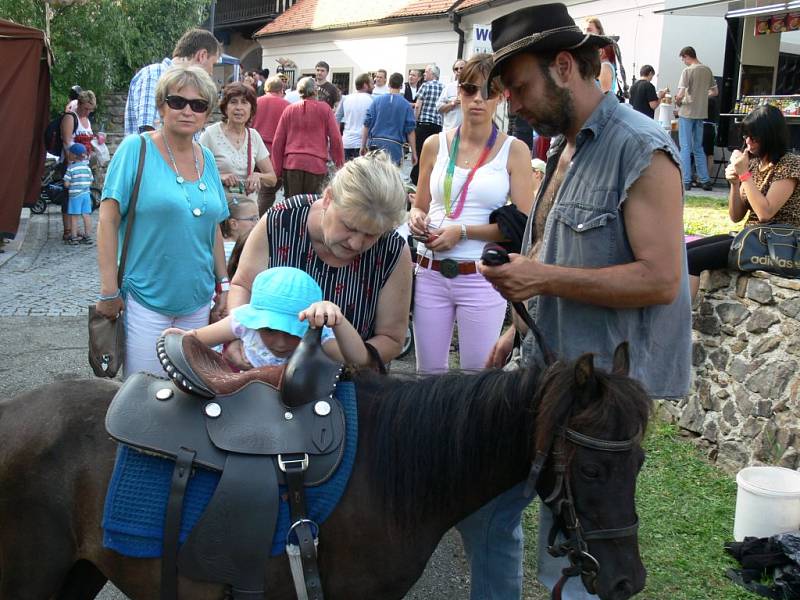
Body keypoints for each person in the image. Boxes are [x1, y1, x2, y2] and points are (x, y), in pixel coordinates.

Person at [474, 4, 691, 599]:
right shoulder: (564, 149)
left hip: (599, 394)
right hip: (551, 373)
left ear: (564, 66)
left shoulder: (640, 148)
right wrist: (514, 331)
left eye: (518, 87)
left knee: (578, 544)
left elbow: (660, 279)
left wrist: (540, 279)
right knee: (501, 513)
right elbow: (556, 251)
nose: (512, 104)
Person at [96, 65, 229, 379]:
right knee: (144, 397)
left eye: (198, 105)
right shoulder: (136, 149)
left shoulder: (206, 158)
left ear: (207, 112)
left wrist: (224, 285)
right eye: (177, 101)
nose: (187, 111)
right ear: (161, 105)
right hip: (145, 298)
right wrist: (108, 290)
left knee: (190, 394)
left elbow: (213, 229)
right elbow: (107, 220)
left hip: (197, 301)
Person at [225, 152, 412, 368]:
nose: (356, 244)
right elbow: (243, 284)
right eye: (350, 227)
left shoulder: (392, 250)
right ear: (328, 198)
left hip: (351, 379)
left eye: (372, 234)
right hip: (266, 369)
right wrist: (240, 337)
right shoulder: (282, 220)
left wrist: (354, 363)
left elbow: (391, 338)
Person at [408, 53, 533, 374]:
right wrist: (416, 218)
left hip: (480, 276)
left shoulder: (514, 149)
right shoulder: (435, 144)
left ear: (502, 97)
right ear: (458, 93)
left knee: (476, 379)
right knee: (428, 376)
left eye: (488, 92)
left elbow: (522, 224)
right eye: (468, 89)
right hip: (430, 271)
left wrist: (462, 232)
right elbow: (420, 204)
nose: (477, 99)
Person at [687, 105, 800, 298]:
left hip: (778, 243)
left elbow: (765, 213)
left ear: (770, 136)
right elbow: (736, 216)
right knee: (683, 251)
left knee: (691, 259)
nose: (748, 142)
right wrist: (734, 183)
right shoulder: (754, 164)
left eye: (753, 137)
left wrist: (744, 174)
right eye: (745, 136)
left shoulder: (790, 164)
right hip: (752, 237)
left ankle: (679, 320)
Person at [164, 266, 372, 368]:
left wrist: (339, 321)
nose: (281, 343)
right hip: (244, 391)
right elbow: (198, 337)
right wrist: (180, 337)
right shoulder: (243, 321)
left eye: (292, 332)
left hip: (297, 399)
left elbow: (357, 358)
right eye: (269, 330)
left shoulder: (319, 335)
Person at [124, 28, 220, 136]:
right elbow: (148, 132)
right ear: (202, 55)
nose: (212, 72)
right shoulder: (155, 74)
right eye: (214, 64)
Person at [199, 82, 277, 207]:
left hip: (246, 211)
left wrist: (258, 176)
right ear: (225, 107)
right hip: (217, 206)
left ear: (251, 109)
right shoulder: (211, 134)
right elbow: (194, 173)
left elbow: (272, 179)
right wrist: (220, 177)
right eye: (233, 102)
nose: (239, 107)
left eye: (244, 102)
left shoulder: (254, 136)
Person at [271, 77, 344, 198]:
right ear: (315, 91)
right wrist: (339, 165)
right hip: (316, 165)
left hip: (292, 165)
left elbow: (278, 142)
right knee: (312, 207)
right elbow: (336, 138)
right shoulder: (325, 109)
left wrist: (277, 170)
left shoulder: (289, 110)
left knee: (292, 206)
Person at [676, 46, 718, 192]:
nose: (684, 62)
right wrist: (702, 97)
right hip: (701, 114)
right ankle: (705, 181)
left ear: (687, 56)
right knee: (698, 148)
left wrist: (678, 102)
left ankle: (686, 180)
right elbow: (715, 91)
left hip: (687, 113)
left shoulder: (687, 71)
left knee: (685, 147)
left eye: (683, 59)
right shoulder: (707, 70)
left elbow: (680, 94)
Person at [252, 75, 291, 214]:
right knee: (267, 192)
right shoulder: (287, 106)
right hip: (274, 153)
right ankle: (259, 220)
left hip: (252, 149)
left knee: (247, 188)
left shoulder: (255, 102)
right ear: (281, 90)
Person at [361, 72, 417, 166]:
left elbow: (367, 124)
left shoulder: (376, 101)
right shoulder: (406, 105)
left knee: (374, 177)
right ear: (401, 86)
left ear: (388, 84)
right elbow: (410, 131)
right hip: (395, 147)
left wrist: (362, 145)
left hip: (375, 144)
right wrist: (414, 153)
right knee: (391, 178)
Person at [410, 64, 444, 184]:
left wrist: (415, 120)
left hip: (424, 124)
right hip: (437, 125)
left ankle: (416, 179)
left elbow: (418, 105)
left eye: (425, 72)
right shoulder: (443, 87)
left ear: (432, 73)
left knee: (419, 151)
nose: (424, 74)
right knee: (434, 153)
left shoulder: (425, 86)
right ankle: (429, 179)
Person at [336, 73, 374, 161]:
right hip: (363, 144)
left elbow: (336, 118)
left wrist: (338, 138)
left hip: (346, 142)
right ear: (365, 85)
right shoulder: (372, 100)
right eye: (372, 83)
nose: (374, 86)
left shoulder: (345, 98)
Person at [63, 143, 94, 245]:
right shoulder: (87, 168)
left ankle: (74, 237)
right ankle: (88, 236)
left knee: (74, 216)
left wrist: (69, 184)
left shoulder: (70, 168)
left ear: (74, 155)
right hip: (86, 194)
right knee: (86, 215)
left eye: (70, 153)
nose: (68, 154)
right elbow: (91, 180)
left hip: (75, 196)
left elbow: (66, 184)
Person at [221, 193, 259, 262]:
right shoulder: (239, 251)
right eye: (253, 219)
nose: (257, 223)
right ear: (234, 224)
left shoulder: (218, 247)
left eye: (257, 218)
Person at [436, 59, 467, 131]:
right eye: (456, 69)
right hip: (450, 130)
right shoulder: (448, 87)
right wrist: (453, 103)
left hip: (467, 132)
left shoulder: (473, 87)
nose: (459, 71)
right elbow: (439, 108)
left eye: (461, 68)